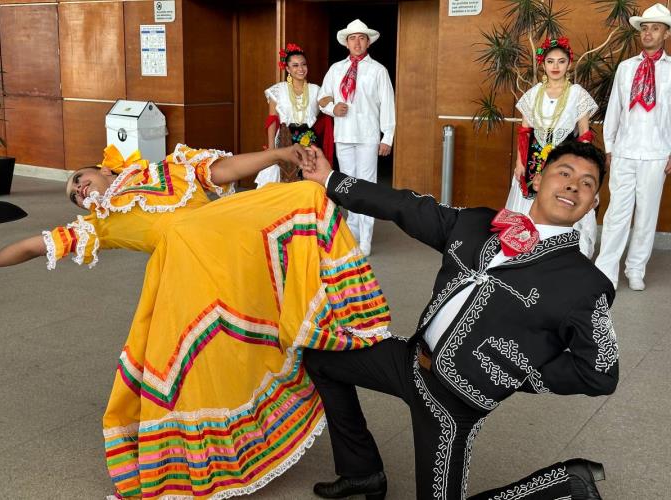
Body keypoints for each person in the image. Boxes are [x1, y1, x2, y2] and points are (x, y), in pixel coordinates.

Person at [0, 143, 392, 499]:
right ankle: (210, 461)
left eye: (81, 181)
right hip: (192, 288)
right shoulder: (99, 225)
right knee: (196, 375)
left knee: (306, 196)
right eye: (74, 196)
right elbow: (35, 245)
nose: (80, 193)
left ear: (103, 170)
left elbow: (224, 170)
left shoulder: (170, 170)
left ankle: (358, 394)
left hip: (237, 253)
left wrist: (277, 155)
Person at [301, 140, 618, 500]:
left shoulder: (585, 285)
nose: (574, 185)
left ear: (592, 204)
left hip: (453, 404)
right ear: (538, 178)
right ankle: (362, 472)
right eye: (564, 173)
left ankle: (563, 482)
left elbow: (601, 371)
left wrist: (515, 370)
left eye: (587, 183)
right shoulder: (478, 223)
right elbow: (407, 206)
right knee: (320, 358)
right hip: (410, 361)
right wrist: (330, 179)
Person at [595, 3, 671, 291]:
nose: (648, 33)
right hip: (625, 151)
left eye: (655, 28)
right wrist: (610, 147)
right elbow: (614, 108)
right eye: (644, 28)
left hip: (656, 154)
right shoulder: (626, 68)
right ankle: (605, 269)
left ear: (665, 33)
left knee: (646, 214)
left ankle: (636, 268)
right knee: (617, 213)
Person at [508, 37, 599, 258]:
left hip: (566, 159)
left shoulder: (578, 94)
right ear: (543, 64)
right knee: (530, 203)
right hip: (533, 160)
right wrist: (520, 163)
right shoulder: (533, 94)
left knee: (562, 200)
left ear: (569, 64)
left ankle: (563, 253)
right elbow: (524, 132)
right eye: (550, 61)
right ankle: (525, 250)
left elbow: (584, 133)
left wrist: (583, 166)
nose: (555, 66)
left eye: (561, 61)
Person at [318, 19, 395, 256]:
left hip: (368, 135)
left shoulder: (378, 70)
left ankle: (366, 239)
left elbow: (388, 105)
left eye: (362, 37)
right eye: (353, 38)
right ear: (346, 42)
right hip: (344, 134)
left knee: (367, 186)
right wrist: (333, 109)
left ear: (368, 41)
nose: (357, 42)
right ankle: (351, 234)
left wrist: (387, 137)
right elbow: (322, 98)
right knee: (347, 185)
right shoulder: (336, 69)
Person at [255, 42, 333, 187]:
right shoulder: (278, 90)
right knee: (283, 180)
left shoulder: (316, 90)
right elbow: (272, 119)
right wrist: (271, 149)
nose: (301, 69)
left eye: (303, 64)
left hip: (309, 140)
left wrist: (333, 99)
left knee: (307, 180)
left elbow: (327, 104)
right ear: (287, 68)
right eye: (295, 65)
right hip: (285, 139)